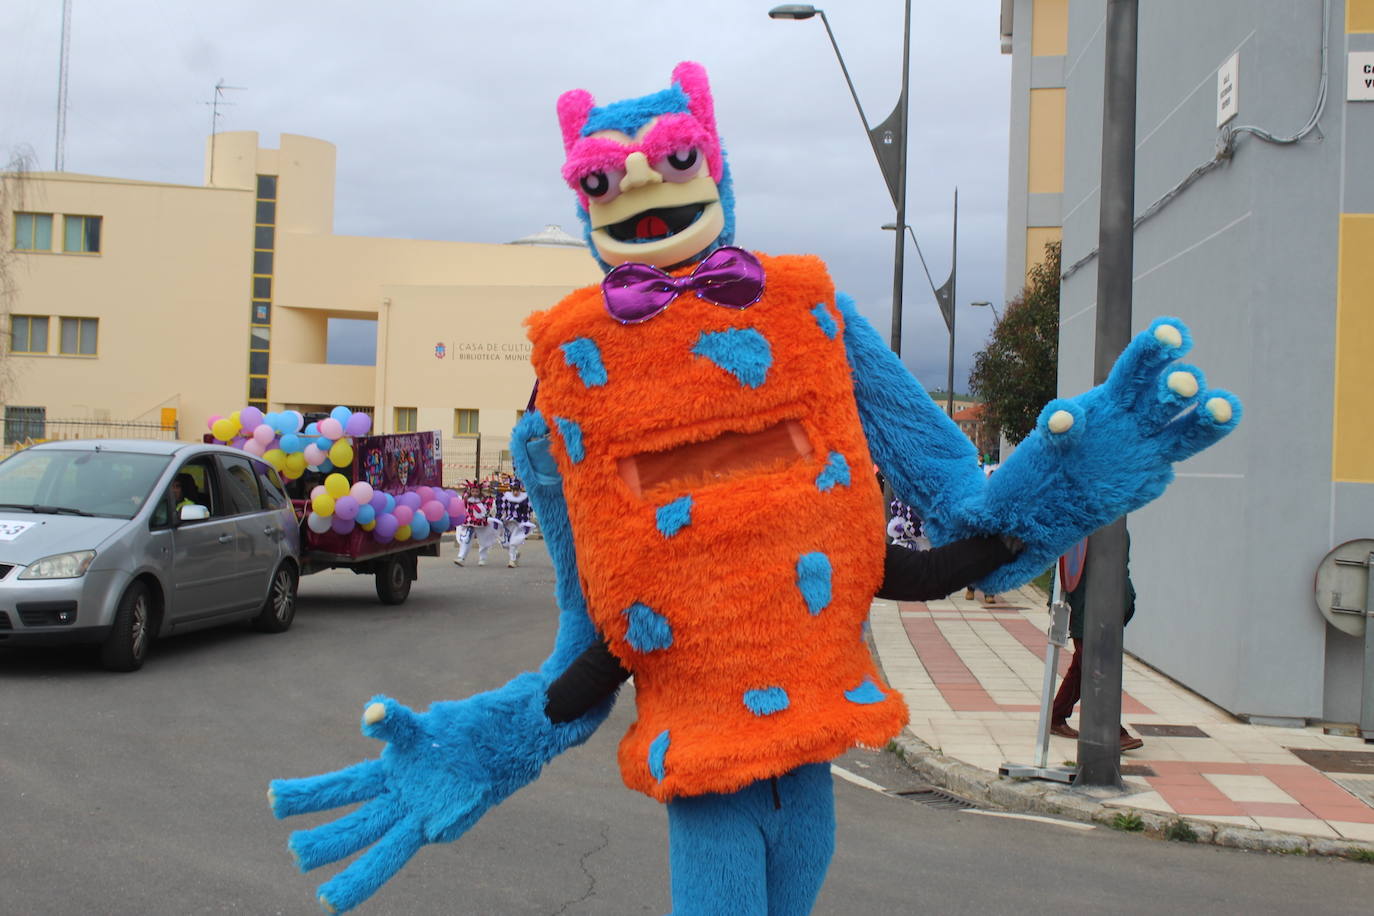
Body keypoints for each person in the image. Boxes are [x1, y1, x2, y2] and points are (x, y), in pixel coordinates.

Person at [1049, 538, 1144, 751]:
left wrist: (1127, 599)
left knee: (1082, 668)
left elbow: (1121, 568)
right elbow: (1064, 567)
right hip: (1086, 609)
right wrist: (1057, 603)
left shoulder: (1117, 525)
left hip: (1109, 606)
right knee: (1096, 667)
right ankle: (1111, 731)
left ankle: (1055, 716)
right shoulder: (1082, 526)